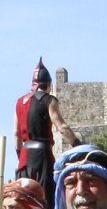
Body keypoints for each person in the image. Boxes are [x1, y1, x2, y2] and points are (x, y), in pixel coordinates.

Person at [13, 58, 76, 197]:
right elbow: (62, 127)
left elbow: (16, 134)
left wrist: (20, 156)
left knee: (25, 201)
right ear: (49, 85)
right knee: (47, 201)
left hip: (24, 160)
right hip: (43, 159)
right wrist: (78, 144)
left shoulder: (19, 103)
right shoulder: (49, 100)